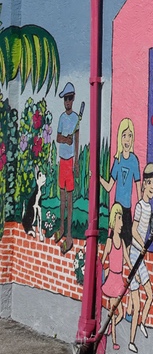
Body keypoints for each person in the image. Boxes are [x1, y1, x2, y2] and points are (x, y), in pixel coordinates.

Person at [128, 162, 153, 353]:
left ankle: (142, 323)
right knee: (137, 304)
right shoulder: (140, 206)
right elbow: (133, 230)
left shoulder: (149, 206)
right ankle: (131, 341)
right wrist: (142, 245)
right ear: (144, 184)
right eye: (150, 182)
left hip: (141, 256)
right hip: (134, 256)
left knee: (151, 295)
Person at [100, 118, 141, 249]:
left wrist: (140, 209)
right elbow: (109, 187)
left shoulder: (134, 160)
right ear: (120, 138)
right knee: (111, 240)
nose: (127, 140)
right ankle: (106, 262)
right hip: (117, 208)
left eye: (130, 135)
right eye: (124, 135)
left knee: (128, 242)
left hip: (127, 209)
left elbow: (138, 187)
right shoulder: (117, 160)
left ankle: (127, 263)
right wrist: (97, 178)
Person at [101, 203, 133, 351]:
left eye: (121, 219)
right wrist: (103, 271)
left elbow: (127, 259)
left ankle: (107, 329)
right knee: (114, 312)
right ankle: (113, 341)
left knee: (119, 313)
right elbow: (102, 261)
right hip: (112, 280)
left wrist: (134, 272)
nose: (121, 223)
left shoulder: (122, 242)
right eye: (119, 219)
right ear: (114, 220)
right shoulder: (109, 242)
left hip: (119, 280)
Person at [55, 82, 79, 255]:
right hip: (62, 162)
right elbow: (57, 137)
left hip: (70, 161)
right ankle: (62, 227)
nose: (67, 102)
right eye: (65, 99)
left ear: (73, 98)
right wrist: (65, 139)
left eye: (70, 98)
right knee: (62, 198)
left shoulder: (76, 118)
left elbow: (77, 141)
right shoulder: (62, 118)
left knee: (69, 200)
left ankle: (69, 235)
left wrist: (76, 161)